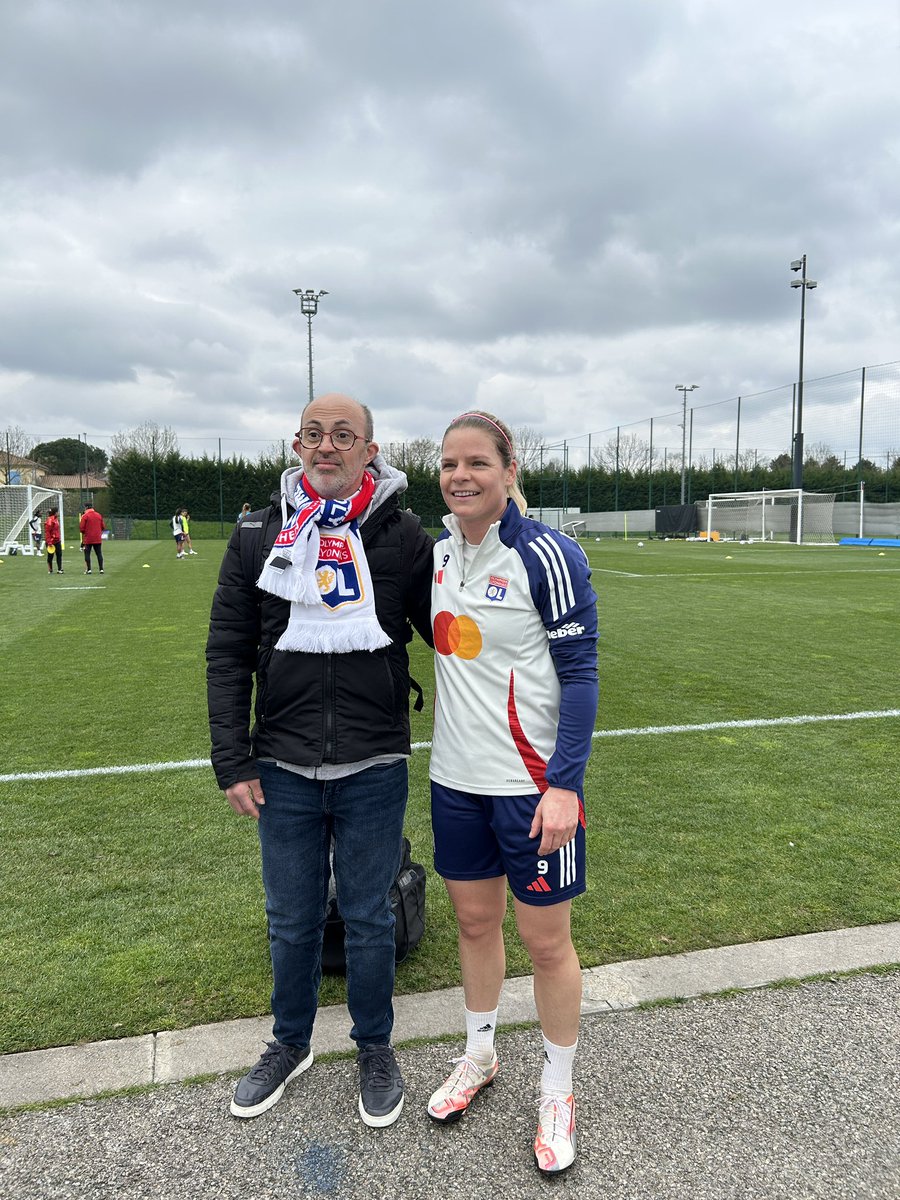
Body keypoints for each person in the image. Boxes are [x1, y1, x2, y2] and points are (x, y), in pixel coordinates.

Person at [206, 392, 433, 1129]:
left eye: (344, 435)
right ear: (296, 445)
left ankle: (374, 1048)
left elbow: (451, 626)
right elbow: (228, 653)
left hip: (372, 761)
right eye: (314, 434)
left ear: (372, 449)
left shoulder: (401, 535)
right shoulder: (258, 533)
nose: (326, 446)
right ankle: (290, 1043)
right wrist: (233, 758)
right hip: (281, 763)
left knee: (368, 919)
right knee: (291, 918)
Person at [426, 411, 598, 1175]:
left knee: (546, 941)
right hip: (453, 781)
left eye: (476, 463)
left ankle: (557, 1089)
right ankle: (481, 1054)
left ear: (508, 469)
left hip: (530, 790)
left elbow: (582, 677)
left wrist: (564, 788)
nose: (461, 475)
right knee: (472, 922)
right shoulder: (438, 555)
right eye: (448, 463)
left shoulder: (546, 554)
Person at [79, 501, 107, 574]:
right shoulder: (98, 515)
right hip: (97, 538)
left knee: (87, 553)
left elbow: (81, 528)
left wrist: (85, 532)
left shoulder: (85, 516)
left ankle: (89, 569)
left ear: (86, 507)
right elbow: (103, 526)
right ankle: (101, 569)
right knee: (99, 553)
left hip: (88, 538)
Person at [44, 507, 63, 574]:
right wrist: (49, 541)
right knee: (50, 556)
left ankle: (60, 569)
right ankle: (50, 569)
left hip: (57, 540)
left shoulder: (56, 519)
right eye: (57, 512)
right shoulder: (50, 520)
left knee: (59, 554)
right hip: (51, 541)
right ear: (55, 512)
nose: (58, 513)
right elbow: (47, 531)